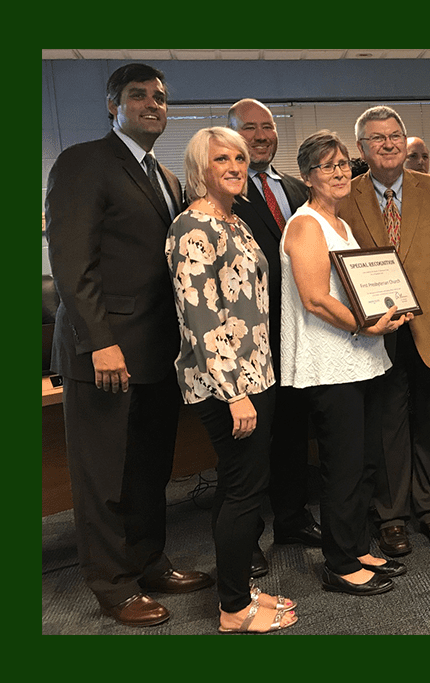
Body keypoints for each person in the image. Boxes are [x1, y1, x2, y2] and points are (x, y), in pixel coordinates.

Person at [46, 63, 213, 628]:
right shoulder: (83, 162)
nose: (152, 104)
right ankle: (112, 584)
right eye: (138, 95)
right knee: (104, 476)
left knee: (148, 469)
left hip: (156, 354)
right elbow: (72, 264)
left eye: (160, 97)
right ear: (111, 106)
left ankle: (148, 560)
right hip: (106, 354)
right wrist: (100, 343)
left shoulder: (164, 178)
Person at [166, 127, 297, 633]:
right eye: (221, 158)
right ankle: (233, 610)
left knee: (239, 485)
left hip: (255, 373)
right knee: (245, 490)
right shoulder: (193, 227)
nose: (235, 165)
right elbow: (200, 317)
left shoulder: (235, 221)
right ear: (201, 168)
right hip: (226, 385)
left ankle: (237, 590)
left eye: (240, 157)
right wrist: (235, 392)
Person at [338, 106, 430, 557]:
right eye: (377, 138)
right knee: (386, 430)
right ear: (361, 148)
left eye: (395, 135)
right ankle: (391, 516)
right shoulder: (346, 196)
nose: (388, 144)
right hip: (374, 333)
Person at [281, 130, 413, 595]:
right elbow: (315, 299)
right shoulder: (306, 224)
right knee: (341, 467)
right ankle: (339, 563)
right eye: (326, 166)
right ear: (306, 176)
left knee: (362, 463)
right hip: (330, 363)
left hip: (361, 359)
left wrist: (383, 314)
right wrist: (366, 325)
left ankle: (357, 547)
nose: (338, 172)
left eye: (342, 164)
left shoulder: (341, 223)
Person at [226, 98, 321, 579]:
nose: (261, 135)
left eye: (267, 127)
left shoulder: (293, 188)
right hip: (249, 341)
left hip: (298, 334)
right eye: (249, 128)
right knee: (251, 444)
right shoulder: (222, 192)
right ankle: (247, 540)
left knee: (290, 434)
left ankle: (291, 518)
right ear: (230, 136)